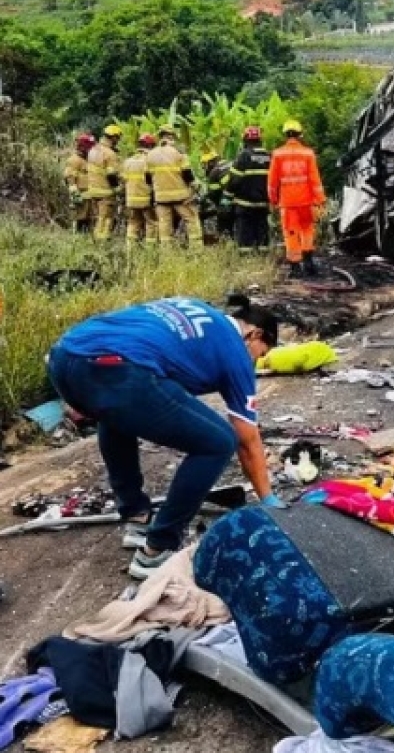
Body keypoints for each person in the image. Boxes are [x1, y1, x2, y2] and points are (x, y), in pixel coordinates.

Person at [47, 294, 284, 579]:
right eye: (262, 352)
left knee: (116, 412)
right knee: (219, 442)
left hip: (64, 356)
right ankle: (157, 550)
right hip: (117, 367)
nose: (257, 361)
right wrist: (268, 499)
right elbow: (248, 440)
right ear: (254, 333)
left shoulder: (197, 307)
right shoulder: (235, 350)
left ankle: (136, 518)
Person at [268, 119, 325, 278]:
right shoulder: (308, 153)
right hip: (306, 201)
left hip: (287, 202)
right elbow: (315, 179)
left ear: (286, 135)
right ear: (300, 135)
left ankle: (295, 267)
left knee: (291, 232)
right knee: (307, 230)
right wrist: (320, 199)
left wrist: (273, 200)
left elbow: (272, 182)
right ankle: (308, 262)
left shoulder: (278, 154)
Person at [147, 125, 203, 247]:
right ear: (171, 136)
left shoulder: (151, 154)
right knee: (192, 220)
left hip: (161, 197)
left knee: (164, 224)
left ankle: (166, 253)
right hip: (180, 196)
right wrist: (195, 186)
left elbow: (148, 179)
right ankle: (197, 250)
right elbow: (187, 172)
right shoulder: (178, 152)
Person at [226, 125, 272, 251]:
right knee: (262, 227)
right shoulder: (269, 156)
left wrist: (226, 197)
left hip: (245, 203)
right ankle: (263, 253)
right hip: (263, 202)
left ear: (245, 140)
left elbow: (234, 180)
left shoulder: (243, 156)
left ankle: (246, 255)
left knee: (245, 229)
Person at [86, 124, 123, 242]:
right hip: (105, 193)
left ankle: (94, 239)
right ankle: (102, 243)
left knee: (96, 218)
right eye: (117, 138)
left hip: (92, 190)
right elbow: (111, 174)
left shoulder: (93, 149)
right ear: (113, 137)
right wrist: (117, 188)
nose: (118, 141)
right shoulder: (109, 154)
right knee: (105, 218)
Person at [122, 134, 157, 247]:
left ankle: (130, 247)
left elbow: (124, 180)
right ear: (151, 145)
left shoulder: (128, 161)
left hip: (131, 199)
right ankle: (150, 249)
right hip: (146, 199)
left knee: (133, 223)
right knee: (151, 223)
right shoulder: (150, 160)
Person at [63, 133, 95, 234]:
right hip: (80, 196)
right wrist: (75, 195)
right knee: (79, 219)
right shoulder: (74, 160)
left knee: (88, 220)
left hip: (89, 197)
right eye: (89, 146)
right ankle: (77, 240)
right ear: (82, 146)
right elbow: (69, 177)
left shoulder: (87, 160)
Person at [199, 151, 235, 240]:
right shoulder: (231, 163)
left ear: (210, 162)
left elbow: (214, 195)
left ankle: (225, 237)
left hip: (231, 199)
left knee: (223, 214)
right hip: (248, 196)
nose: (204, 168)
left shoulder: (214, 172)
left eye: (204, 164)